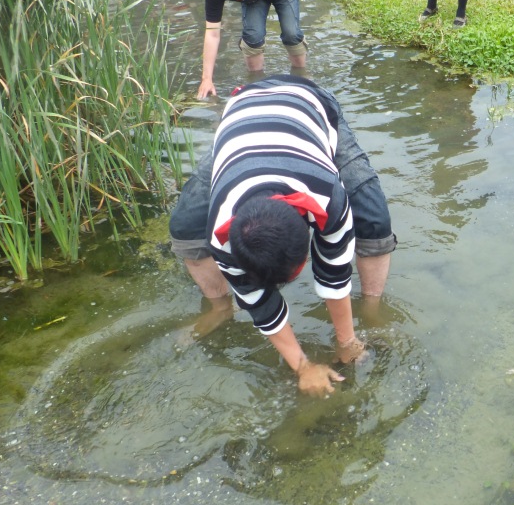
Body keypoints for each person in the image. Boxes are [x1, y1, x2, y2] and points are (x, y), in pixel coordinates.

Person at [169, 74, 397, 396]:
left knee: (373, 216)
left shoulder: (328, 197)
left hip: (309, 103)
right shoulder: (221, 232)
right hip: (241, 117)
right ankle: (219, 308)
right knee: (184, 227)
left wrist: (348, 342)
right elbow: (258, 302)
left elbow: (334, 273)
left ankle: (373, 308)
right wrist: (302, 365)